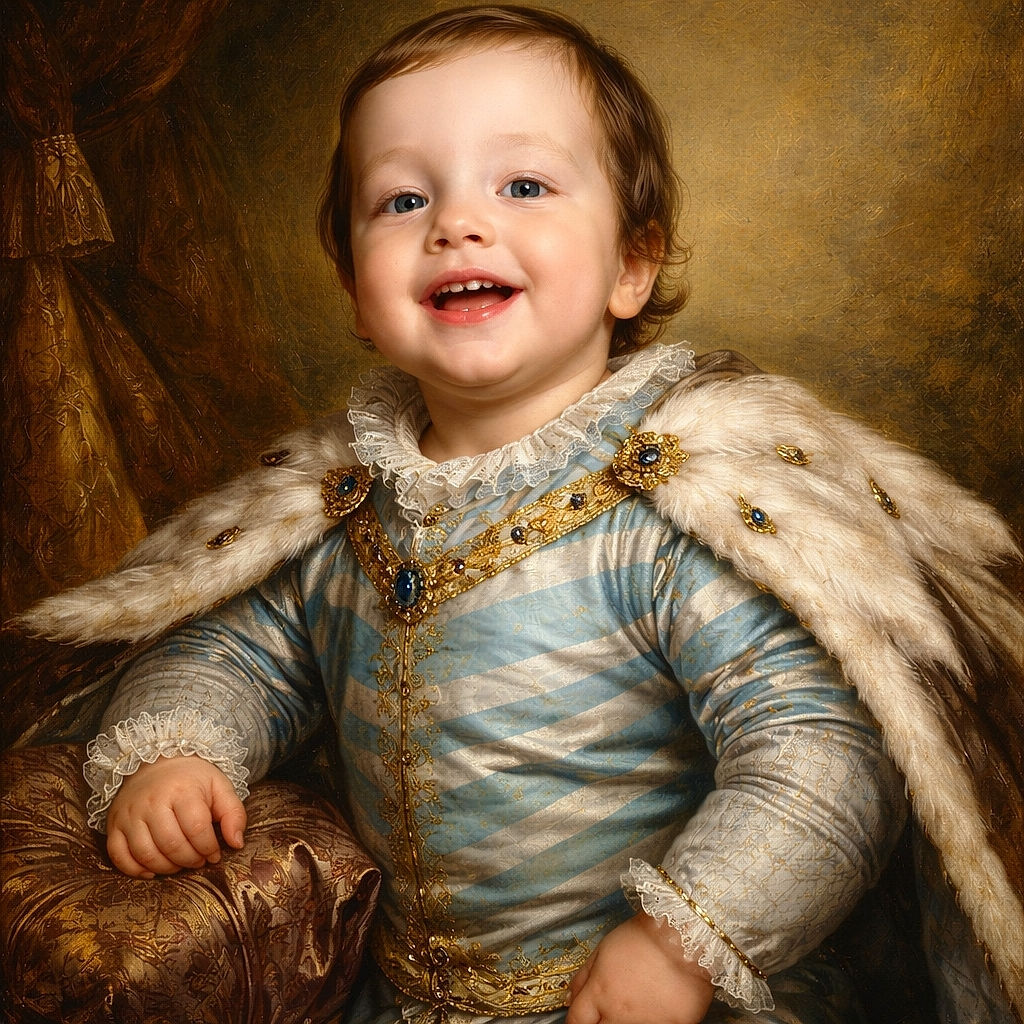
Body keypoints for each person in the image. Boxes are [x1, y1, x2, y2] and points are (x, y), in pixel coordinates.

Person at [16, 7, 1023, 1024]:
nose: (456, 224)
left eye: (524, 186)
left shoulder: (669, 515)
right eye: (403, 199)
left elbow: (820, 754)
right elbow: (235, 649)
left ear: (631, 265)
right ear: (356, 292)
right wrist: (182, 750)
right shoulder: (341, 504)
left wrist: (682, 942)